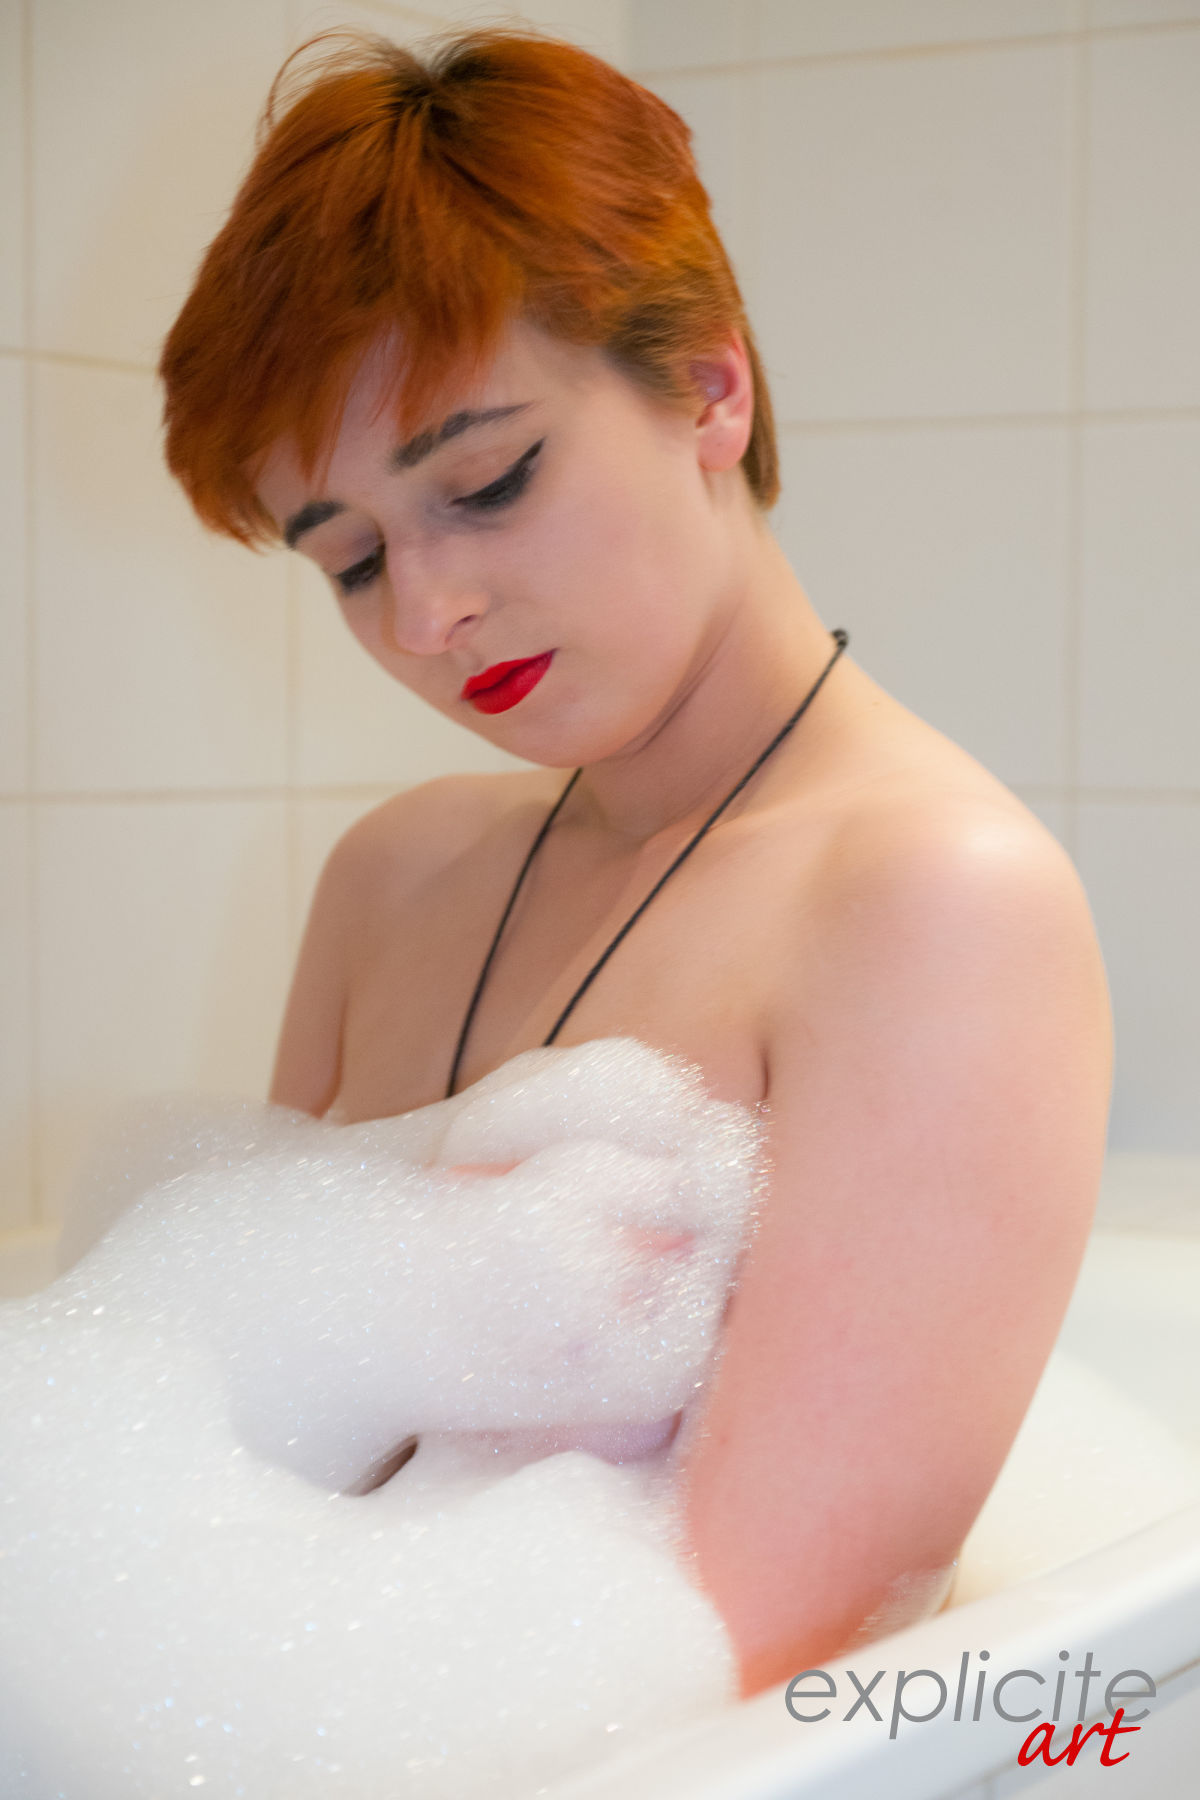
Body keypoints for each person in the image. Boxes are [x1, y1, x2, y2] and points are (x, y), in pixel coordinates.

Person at [158, 27, 1112, 1700]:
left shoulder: (934, 901)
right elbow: (210, 1447)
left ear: (709, 389)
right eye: (350, 559)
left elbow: (763, 1665)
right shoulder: (391, 879)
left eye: (487, 481)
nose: (428, 612)